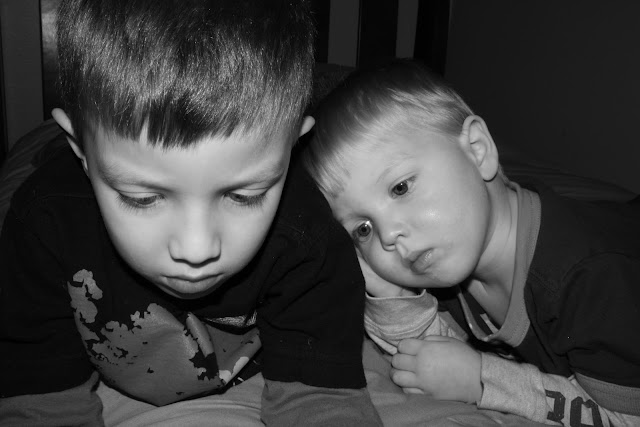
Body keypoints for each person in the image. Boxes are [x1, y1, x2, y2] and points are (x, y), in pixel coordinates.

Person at [0, 1, 383, 425]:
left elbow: (322, 397)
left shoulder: (308, 239)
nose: (197, 249)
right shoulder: (42, 227)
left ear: (293, 145)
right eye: (142, 198)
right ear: (80, 151)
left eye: (244, 195)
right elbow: (40, 397)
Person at [301, 59, 640, 426]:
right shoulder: (452, 253)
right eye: (363, 228)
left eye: (400, 188)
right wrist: (390, 295)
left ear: (477, 150)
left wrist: (483, 379)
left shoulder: (590, 279)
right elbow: (429, 361)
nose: (388, 236)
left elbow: (626, 418)